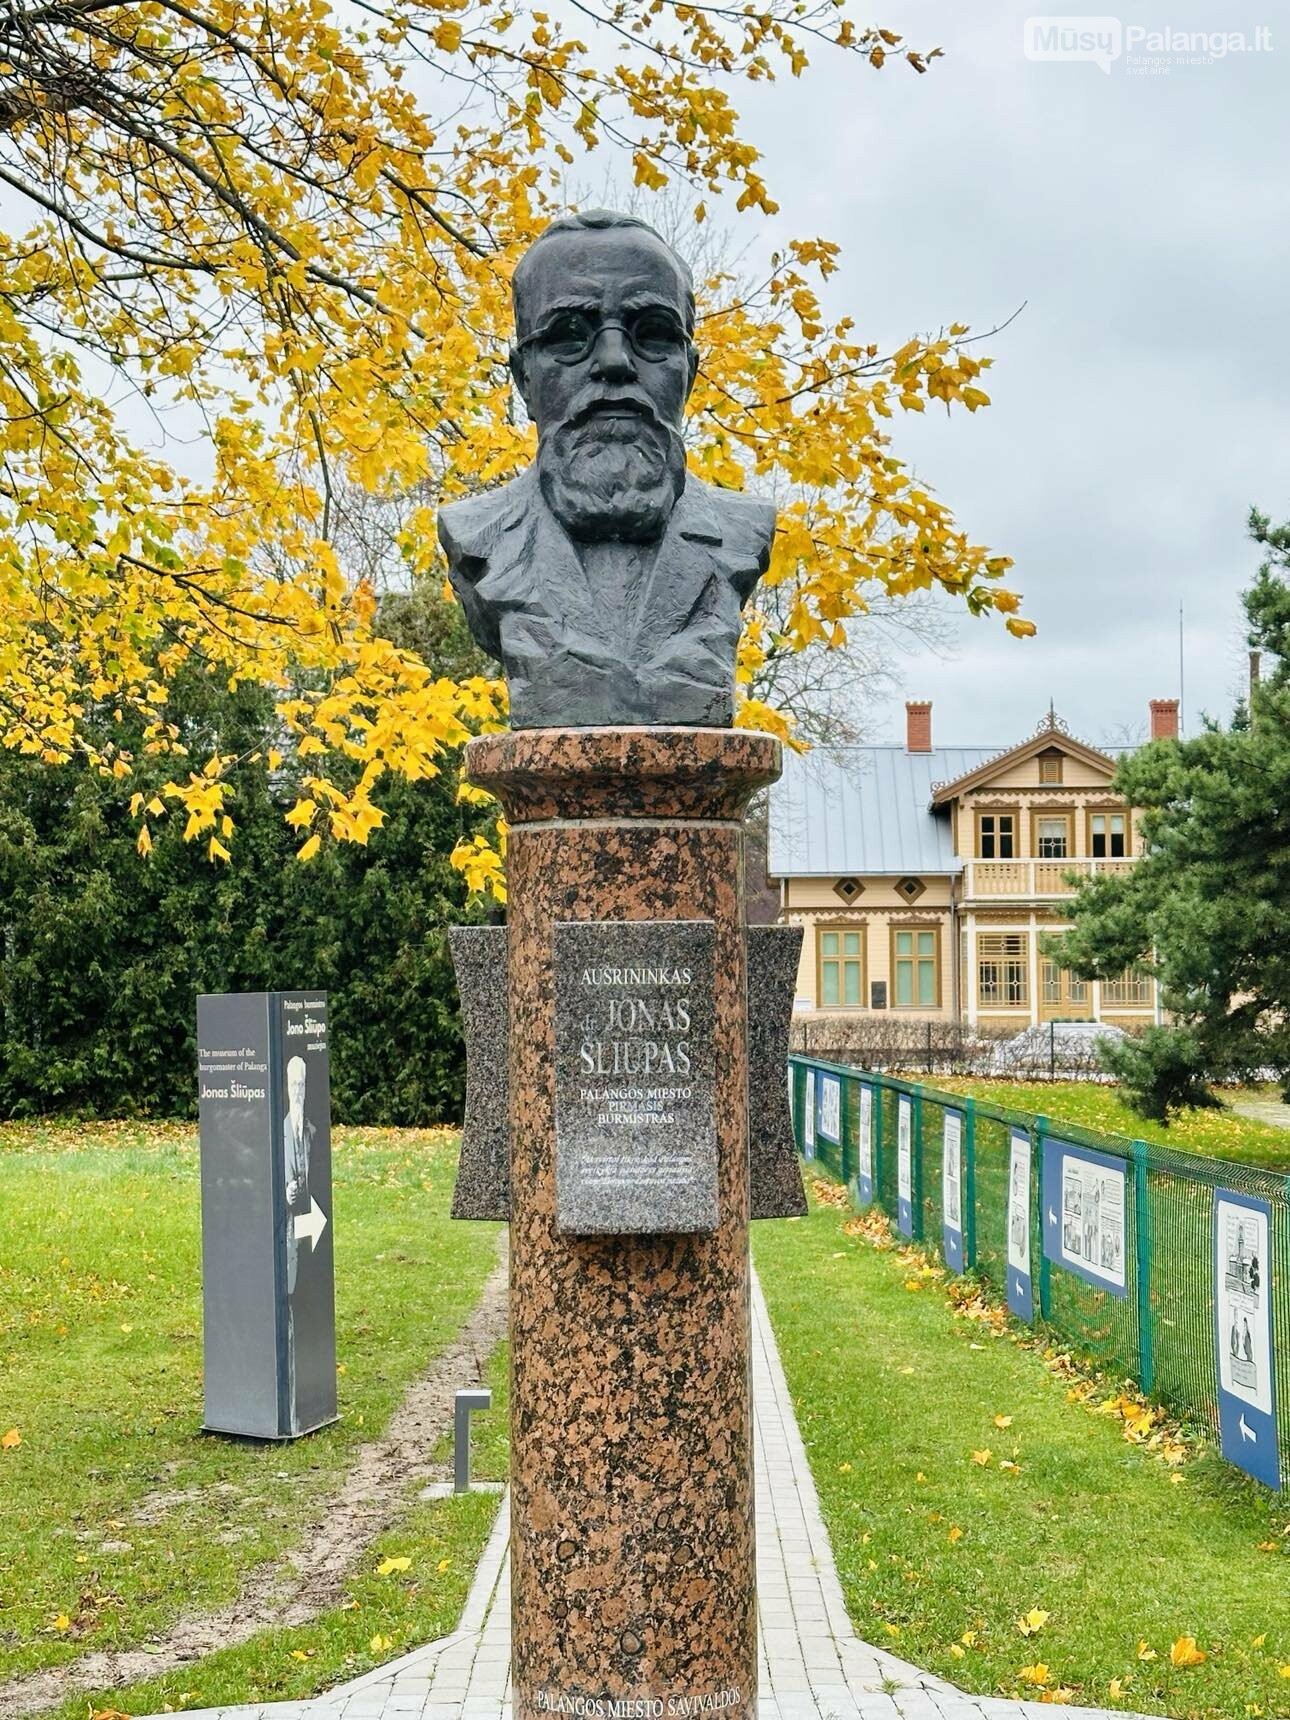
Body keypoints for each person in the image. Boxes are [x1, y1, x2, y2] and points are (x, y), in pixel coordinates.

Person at [439, 210, 776, 729]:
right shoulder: (478, 536)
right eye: (570, 335)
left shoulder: (741, 533)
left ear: (689, 374)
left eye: (653, 334)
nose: (615, 361)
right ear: (524, 379)